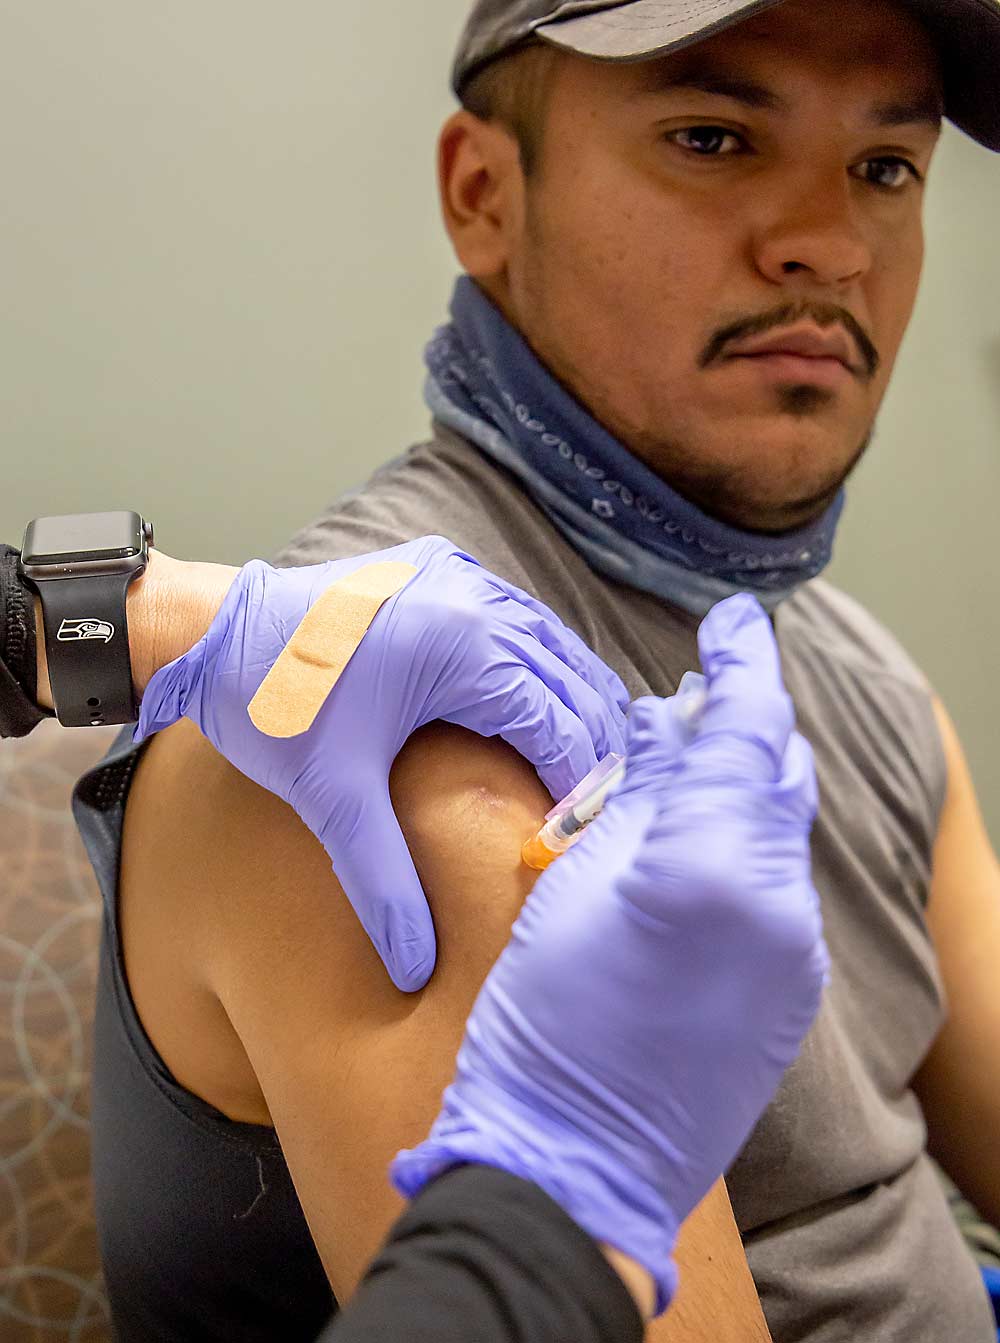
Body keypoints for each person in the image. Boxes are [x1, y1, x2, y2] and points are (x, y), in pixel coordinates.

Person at [66, 1, 1000, 1340]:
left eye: (887, 167)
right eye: (714, 135)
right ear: (485, 196)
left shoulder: (861, 673)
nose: (834, 244)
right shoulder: (379, 731)